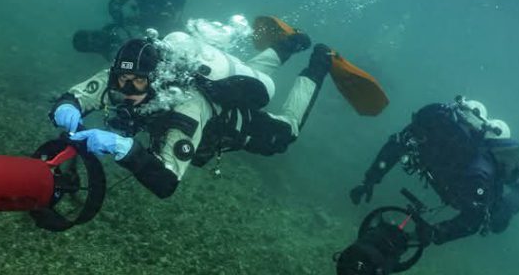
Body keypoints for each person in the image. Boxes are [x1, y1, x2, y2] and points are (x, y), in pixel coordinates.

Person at [49, 19, 333, 198]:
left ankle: (321, 62)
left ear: (157, 80)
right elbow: (77, 96)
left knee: (285, 134)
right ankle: (291, 42)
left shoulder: (186, 105)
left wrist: (125, 149)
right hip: (226, 85)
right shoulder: (122, 76)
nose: (127, 91)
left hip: (235, 123)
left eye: (138, 83)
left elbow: (166, 182)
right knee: (251, 69)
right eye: (123, 80)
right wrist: (67, 108)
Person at [349, 97, 519, 245]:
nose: (443, 143)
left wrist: (436, 232)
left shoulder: (478, 171)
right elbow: (397, 145)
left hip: (471, 189)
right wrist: (370, 180)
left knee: (498, 222)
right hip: (455, 184)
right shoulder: (431, 126)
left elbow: (474, 219)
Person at [72, 0, 186, 60]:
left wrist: (137, 21)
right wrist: (116, 12)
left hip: (165, 24)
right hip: (147, 17)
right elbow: (116, 0)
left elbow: (167, 19)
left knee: (163, 39)